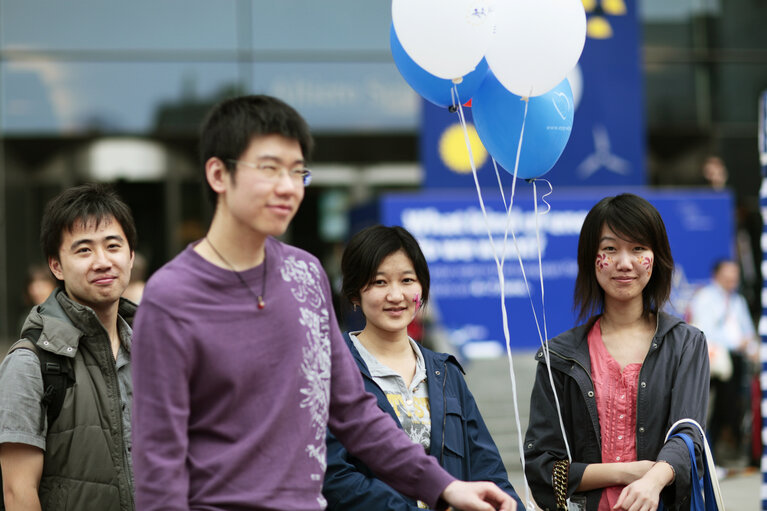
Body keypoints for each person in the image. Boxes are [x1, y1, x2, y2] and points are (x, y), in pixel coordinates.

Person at [131, 95, 515, 511]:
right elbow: (159, 465)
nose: (288, 187)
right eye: (270, 169)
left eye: (298, 172)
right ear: (218, 174)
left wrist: (445, 486)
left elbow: (353, 412)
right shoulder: (171, 296)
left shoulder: (306, 275)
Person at [524, 193, 709, 511]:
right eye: (610, 249)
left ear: (656, 256)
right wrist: (628, 472)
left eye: (638, 248)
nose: (625, 263)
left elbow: (689, 437)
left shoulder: (686, 343)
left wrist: (652, 481)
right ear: (591, 259)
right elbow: (543, 466)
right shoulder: (560, 356)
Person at [322, 225, 521, 510]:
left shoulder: (445, 373)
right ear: (354, 293)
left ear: (422, 288)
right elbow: (335, 477)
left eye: (407, 280)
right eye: (379, 282)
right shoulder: (331, 368)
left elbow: (487, 468)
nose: (395, 295)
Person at [0, 183, 137, 510]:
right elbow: (18, 494)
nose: (102, 261)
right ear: (56, 266)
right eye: (84, 250)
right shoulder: (30, 363)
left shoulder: (157, 350)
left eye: (113, 246)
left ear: (131, 256)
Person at [687, 259, 758, 460]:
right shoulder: (705, 297)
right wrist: (737, 343)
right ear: (717, 275)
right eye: (728, 273)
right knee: (714, 408)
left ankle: (734, 446)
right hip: (715, 363)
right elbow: (705, 331)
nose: (733, 278)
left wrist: (751, 347)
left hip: (738, 361)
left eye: (735, 273)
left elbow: (748, 331)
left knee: (734, 405)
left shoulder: (738, 300)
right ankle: (712, 453)